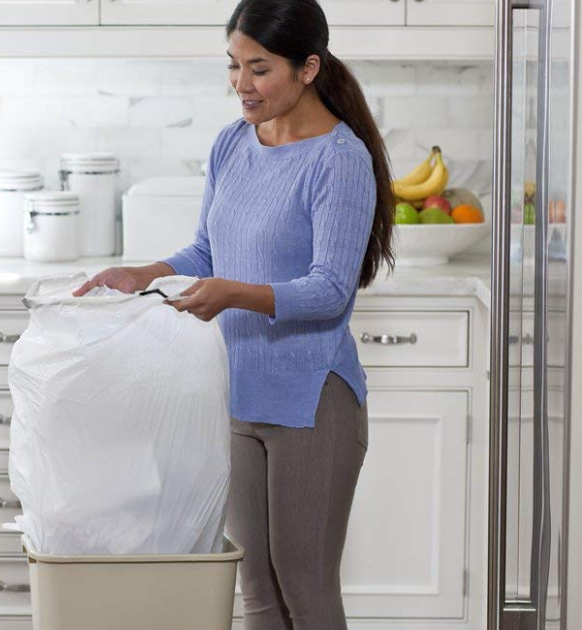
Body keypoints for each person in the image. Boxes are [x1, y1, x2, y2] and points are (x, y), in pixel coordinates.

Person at [73, 0, 395, 627]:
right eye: (233, 66)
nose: (241, 86)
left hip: (311, 400)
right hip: (238, 391)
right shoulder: (232, 145)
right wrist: (143, 273)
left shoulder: (339, 159)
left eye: (259, 69)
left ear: (308, 68)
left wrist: (233, 293)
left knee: (306, 586)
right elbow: (207, 250)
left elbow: (330, 289)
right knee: (257, 589)